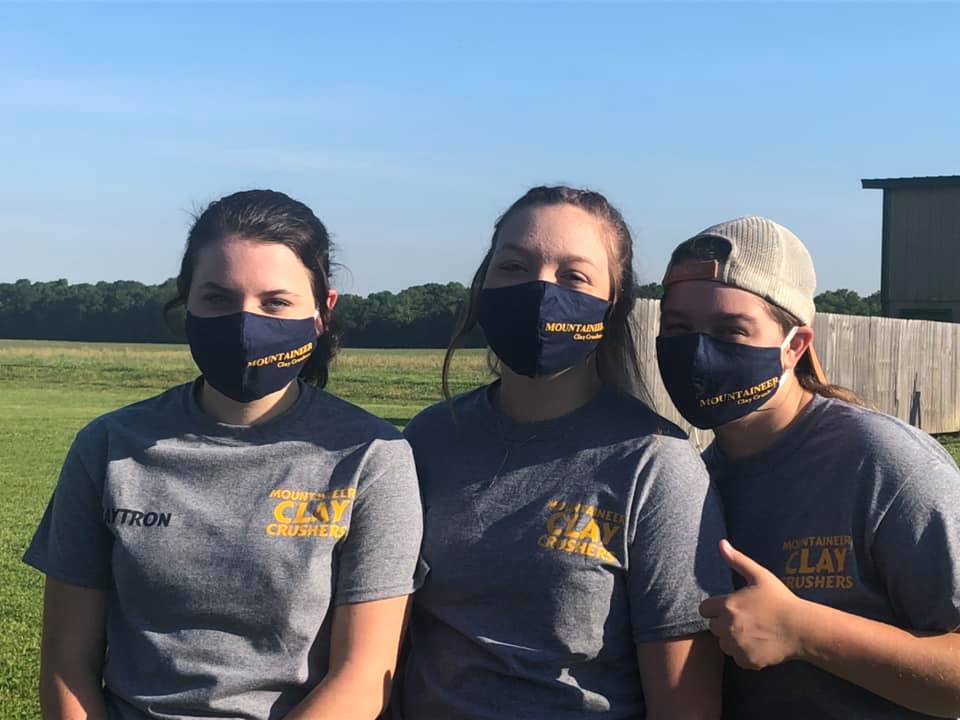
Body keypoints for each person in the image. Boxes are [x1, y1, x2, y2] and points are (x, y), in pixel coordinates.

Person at [24, 190, 424, 720]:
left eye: (275, 303)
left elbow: (362, 676)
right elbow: (65, 665)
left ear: (322, 312)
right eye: (217, 298)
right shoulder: (108, 446)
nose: (244, 323)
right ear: (185, 301)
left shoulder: (371, 456)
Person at [396, 185, 731, 720]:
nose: (539, 289)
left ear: (614, 305)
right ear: (483, 287)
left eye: (573, 275)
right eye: (514, 266)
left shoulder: (655, 464)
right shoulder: (428, 439)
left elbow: (684, 703)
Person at [656, 215, 960, 719]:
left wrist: (804, 631)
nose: (698, 352)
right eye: (678, 328)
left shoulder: (885, 464)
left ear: (794, 346)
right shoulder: (693, 480)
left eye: (732, 329)